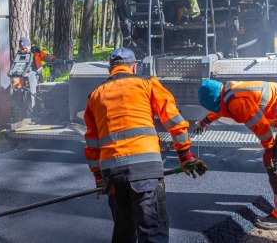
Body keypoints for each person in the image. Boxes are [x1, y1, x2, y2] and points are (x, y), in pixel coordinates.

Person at [83, 47, 208, 242]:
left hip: (113, 175)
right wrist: (185, 156)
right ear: (134, 68)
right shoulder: (148, 84)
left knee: (124, 232)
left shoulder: (95, 96)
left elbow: (92, 143)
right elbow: (175, 122)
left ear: (110, 69)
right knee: (152, 232)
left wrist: (99, 178)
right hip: (145, 170)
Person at [195, 79, 277, 230]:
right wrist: (205, 121)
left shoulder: (236, 101)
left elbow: (261, 126)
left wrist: (269, 149)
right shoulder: (229, 91)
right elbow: (221, 109)